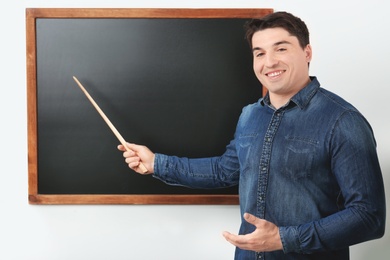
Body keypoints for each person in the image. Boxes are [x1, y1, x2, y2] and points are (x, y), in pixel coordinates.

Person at [118, 11, 386, 259]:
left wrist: (283, 238)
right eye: (259, 53)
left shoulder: (342, 120)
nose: (269, 62)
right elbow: (225, 170)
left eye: (281, 48)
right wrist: (156, 163)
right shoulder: (250, 115)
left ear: (307, 52)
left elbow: (369, 217)